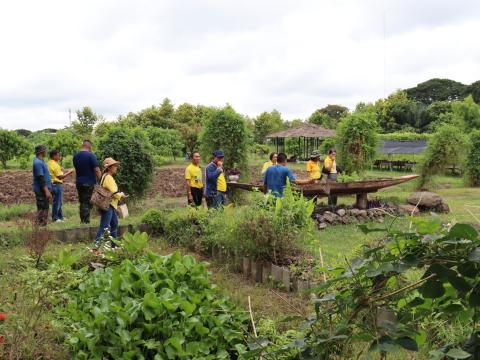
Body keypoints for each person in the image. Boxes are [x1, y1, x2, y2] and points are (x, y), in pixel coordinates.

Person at [95, 157, 126, 247]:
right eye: (114, 166)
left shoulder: (106, 176)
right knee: (104, 227)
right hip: (108, 205)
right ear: (109, 168)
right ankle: (95, 247)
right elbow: (114, 193)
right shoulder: (108, 177)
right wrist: (122, 195)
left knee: (114, 224)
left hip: (110, 205)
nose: (116, 167)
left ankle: (114, 246)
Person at [73, 140, 101, 224]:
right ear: (89, 146)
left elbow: (77, 169)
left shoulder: (75, 156)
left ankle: (83, 219)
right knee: (86, 202)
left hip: (79, 182)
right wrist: (101, 180)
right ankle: (85, 221)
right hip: (88, 182)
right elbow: (96, 170)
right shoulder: (91, 156)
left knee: (82, 201)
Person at [47, 150, 73, 222]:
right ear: (54, 156)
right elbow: (60, 176)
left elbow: (53, 175)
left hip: (54, 183)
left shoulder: (50, 163)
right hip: (57, 185)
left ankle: (60, 217)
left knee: (59, 201)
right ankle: (55, 218)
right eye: (58, 155)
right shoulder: (55, 165)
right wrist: (69, 172)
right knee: (57, 202)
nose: (59, 157)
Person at [32, 145, 52, 226]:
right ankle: (40, 226)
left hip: (43, 189)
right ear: (41, 152)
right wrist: (46, 191)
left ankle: (42, 226)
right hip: (41, 190)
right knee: (42, 208)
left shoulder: (41, 161)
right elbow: (40, 178)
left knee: (45, 207)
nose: (46, 152)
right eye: (45, 150)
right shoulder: (37, 163)